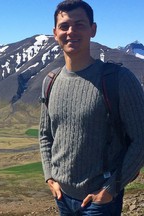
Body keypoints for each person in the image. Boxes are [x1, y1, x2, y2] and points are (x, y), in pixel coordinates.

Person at [39, 0, 144, 215]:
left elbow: (141, 139)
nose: (71, 32)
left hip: (100, 202)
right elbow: (45, 134)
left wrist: (110, 189)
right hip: (62, 198)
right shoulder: (50, 81)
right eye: (64, 26)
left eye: (79, 25)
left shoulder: (119, 79)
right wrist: (50, 176)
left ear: (93, 30)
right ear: (55, 32)